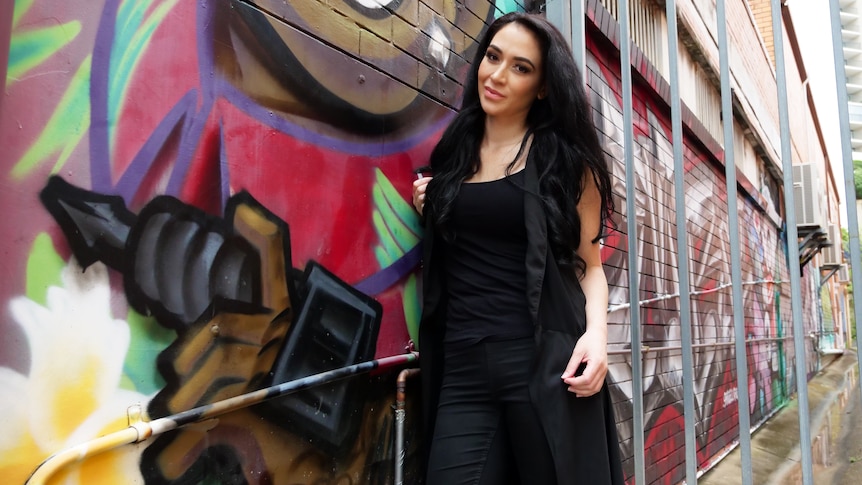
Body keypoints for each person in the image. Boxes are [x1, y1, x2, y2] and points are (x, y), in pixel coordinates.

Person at [411, 12, 624, 485]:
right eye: (492, 57)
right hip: (463, 368)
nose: (497, 75)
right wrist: (434, 200)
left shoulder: (566, 164)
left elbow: (589, 266)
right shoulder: (454, 153)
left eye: (520, 67)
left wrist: (597, 338)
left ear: (543, 88)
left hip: (545, 365)